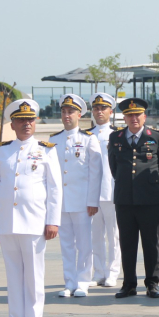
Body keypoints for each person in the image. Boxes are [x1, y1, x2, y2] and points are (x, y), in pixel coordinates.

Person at [0, 99, 62, 317]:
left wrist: (53, 220)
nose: (26, 124)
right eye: (21, 120)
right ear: (12, 124)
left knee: (33, 276)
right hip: (7, 222)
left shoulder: (46, 149)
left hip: (34, 221)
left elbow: (55, 189)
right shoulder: (3, 150)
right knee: (13, 276)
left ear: (35, 122)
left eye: (30, 120)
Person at [109, 98, 159, 299]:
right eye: (129, 115)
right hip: (124, 200)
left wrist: (150, 186)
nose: (133, 118)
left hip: (150, 200)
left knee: (150, 243)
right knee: (127, 243)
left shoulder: (156, 137)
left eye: (137, 115)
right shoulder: (116, 137)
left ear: (144, 116)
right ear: (124, 117)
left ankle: (152, 283)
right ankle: (129, 284)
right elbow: (114, 167)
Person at [49, 94, 102, 297]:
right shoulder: (54, 140)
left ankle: (83, 281)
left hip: (82, 201)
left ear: (79, 115)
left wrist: (92, 201)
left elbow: (95, 173)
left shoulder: (88, 139)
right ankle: (69, 282)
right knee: (66, 245)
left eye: (71, 112)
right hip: (61, 202)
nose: (66, 115)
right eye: (64, 111)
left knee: (84, 244)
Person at [89, 93, 121, 288]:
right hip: (92, 193)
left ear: (111, 111)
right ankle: (99, 272)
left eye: (103, 108)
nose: (99, 112)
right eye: (96, 108)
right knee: (95, 235)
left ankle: (113, 272)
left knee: (114, 235)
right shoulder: (86, 135)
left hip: (112, 191)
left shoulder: (118, 134)